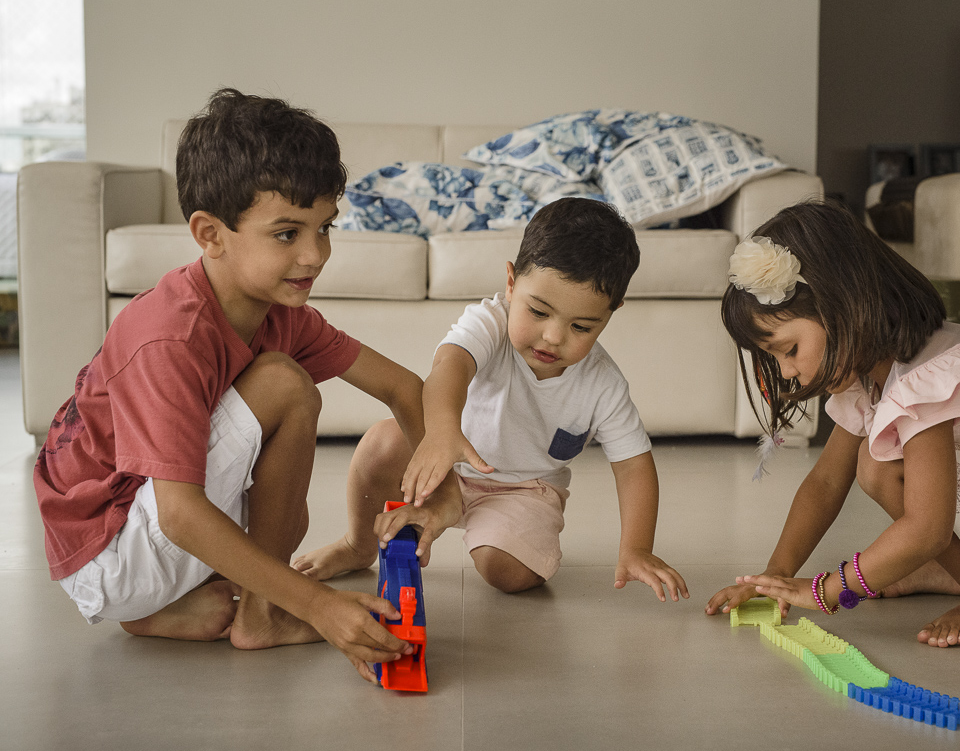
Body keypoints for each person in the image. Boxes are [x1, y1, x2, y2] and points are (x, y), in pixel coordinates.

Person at [34, 88, 459, 684]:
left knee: (274, 531)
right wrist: (316, 606)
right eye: (287, 233)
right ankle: (263, 615)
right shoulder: (170, 337)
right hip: (106, 547)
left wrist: (444, 489)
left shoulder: (277, 309)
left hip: (135, 532)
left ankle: (184, 606)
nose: (315, 254)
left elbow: (405, 389)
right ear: (210, 234)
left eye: (324, 228)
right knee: (284, 385)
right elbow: (181, 515)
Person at [704, 200, 960, 647]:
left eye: (789, 350)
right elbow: (826, 482)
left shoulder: (927, 373)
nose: (787, 372)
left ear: (843, 307)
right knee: (878, 465)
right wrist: (775, 577)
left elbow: (927, 528)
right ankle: (959, 571)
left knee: (881, 465)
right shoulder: (870, 372)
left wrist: (830, 591)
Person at [293, 198, 689, 602]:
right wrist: (443, 433)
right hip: (445, 461)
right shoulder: (491, 321)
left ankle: (495, 531)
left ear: (611, 313)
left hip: (524, 488)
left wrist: (636, 548)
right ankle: (358, 545)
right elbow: (451, 362)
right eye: (538, 311)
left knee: (507, 572)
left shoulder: (603, 384)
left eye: (581, 326)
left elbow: (634, 467)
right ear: (512, 283)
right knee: (382, 444)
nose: (553, 337)